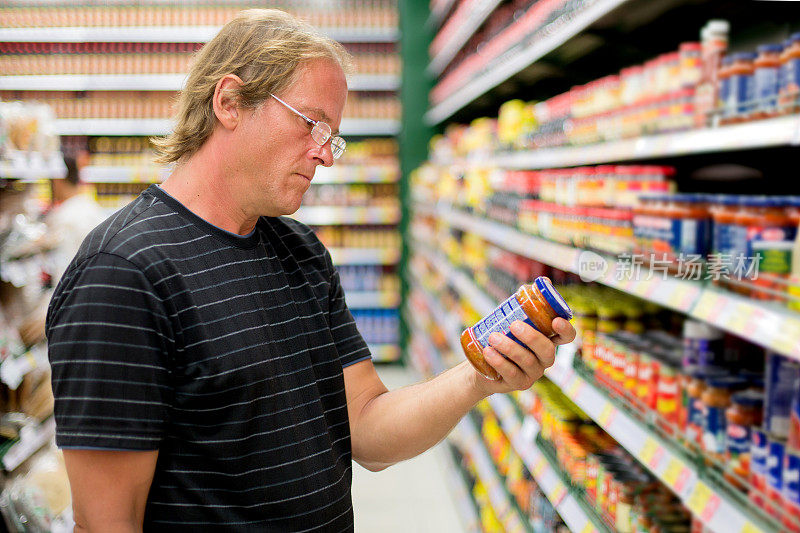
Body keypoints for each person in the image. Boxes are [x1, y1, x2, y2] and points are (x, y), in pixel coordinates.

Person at [46, 9, 575, 532]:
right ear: (229, 102)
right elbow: (105, 522)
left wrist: (478, 375)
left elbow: (367, 430)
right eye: (312, 123)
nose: (326, 155)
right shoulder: (122, 274)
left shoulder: (298, 250)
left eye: (333, 135)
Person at [17, 152, 106, 346]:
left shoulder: (67, 218)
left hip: (71, 317)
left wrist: (47, 314)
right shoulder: (91, 208)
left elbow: (65, 274)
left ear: (58, 180)